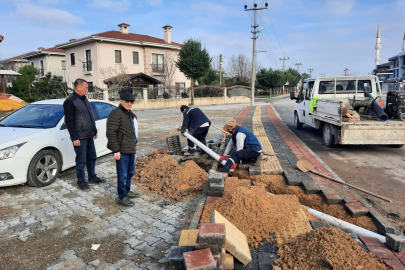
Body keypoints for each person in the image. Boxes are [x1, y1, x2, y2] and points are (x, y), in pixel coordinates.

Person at [63, 78, 105, 190]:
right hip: (80, 137)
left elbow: (90, 116)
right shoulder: (70, 101)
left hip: (89, 135)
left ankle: (92, 177)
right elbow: (69, 121)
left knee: (92, 157)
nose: (87, 90)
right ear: (78, 87)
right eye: (86, 87)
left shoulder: (84, 99)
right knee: (81, 161)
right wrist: (75, 138)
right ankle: (81, 182)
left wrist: (94, 131)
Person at [106, 93, 141, 207]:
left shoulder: (128, 113)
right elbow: (111, 133)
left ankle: (127, 190)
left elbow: (128, 120)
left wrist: (133, 115)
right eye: (127, 101)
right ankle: (122, 197)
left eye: (131, 102)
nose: (129, 103)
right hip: (122, 150)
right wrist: (116, 150)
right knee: (123, 174)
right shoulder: (115, 114)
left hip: (130, 147)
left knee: (130, 172)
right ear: (121, 101)